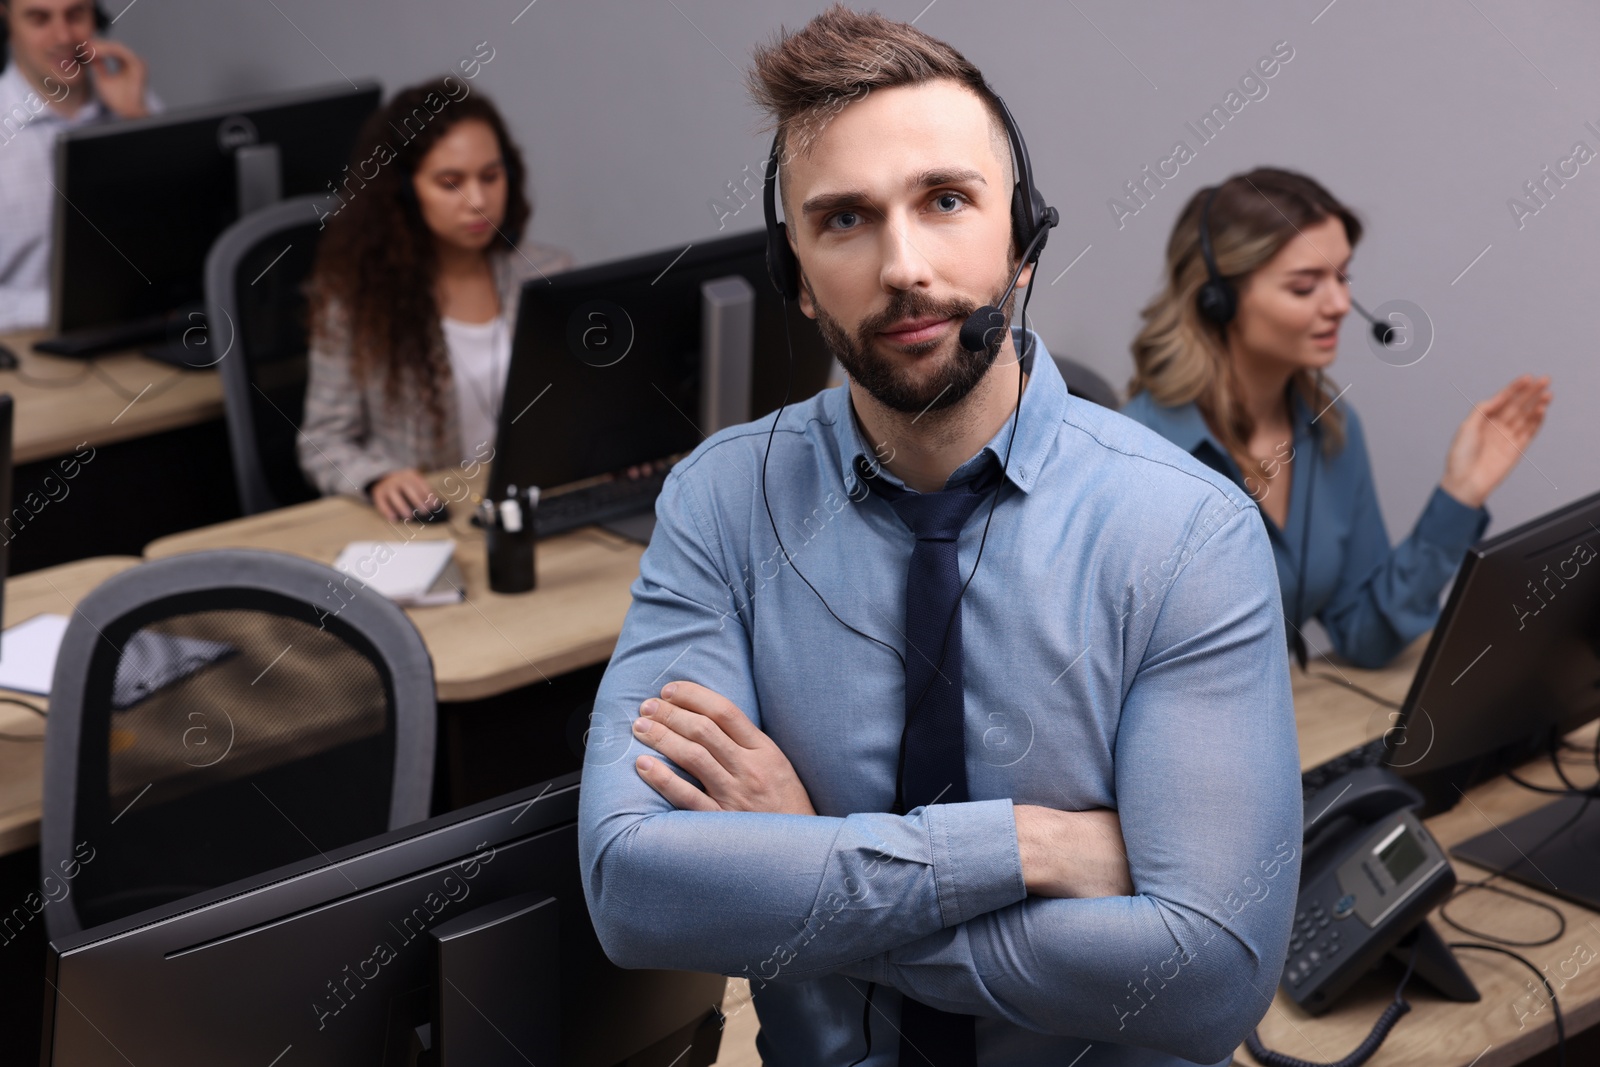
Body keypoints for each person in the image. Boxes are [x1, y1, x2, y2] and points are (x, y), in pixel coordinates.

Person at [578, 8, 1300, 1066]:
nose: (903, 264)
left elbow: (1206, 980)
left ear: (1023, 238)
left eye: (946, 201)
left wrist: (802, 860)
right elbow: (634, 890)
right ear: (797, 277)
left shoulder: (1187, 531)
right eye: (843, 221)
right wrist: (1023, 845)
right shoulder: (721, 502)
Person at [1121, 169, 1552, 669]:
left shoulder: (1330, 431)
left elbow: (1363, 634)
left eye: (1343, 277)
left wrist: (1460, 494)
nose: (1342, 305)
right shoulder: (1139, 455)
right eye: (1305, 287)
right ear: (1217, 300)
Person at [299, 77, 570, 521]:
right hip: (429, 522)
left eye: (490, 176)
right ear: (404, 191)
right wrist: (377, 476)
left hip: (531, 512)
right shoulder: (355, 300)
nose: (478, 200)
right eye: (451, 184)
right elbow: (322, 441)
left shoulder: (548, 273)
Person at [0, 0, 156, 333]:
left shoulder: (137, 104)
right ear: (7, 22)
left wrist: (135, 120)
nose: (64, 35)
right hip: (25, 348)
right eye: (39, 19)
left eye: (76, 15)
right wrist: (76, 306)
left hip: (138, 335)